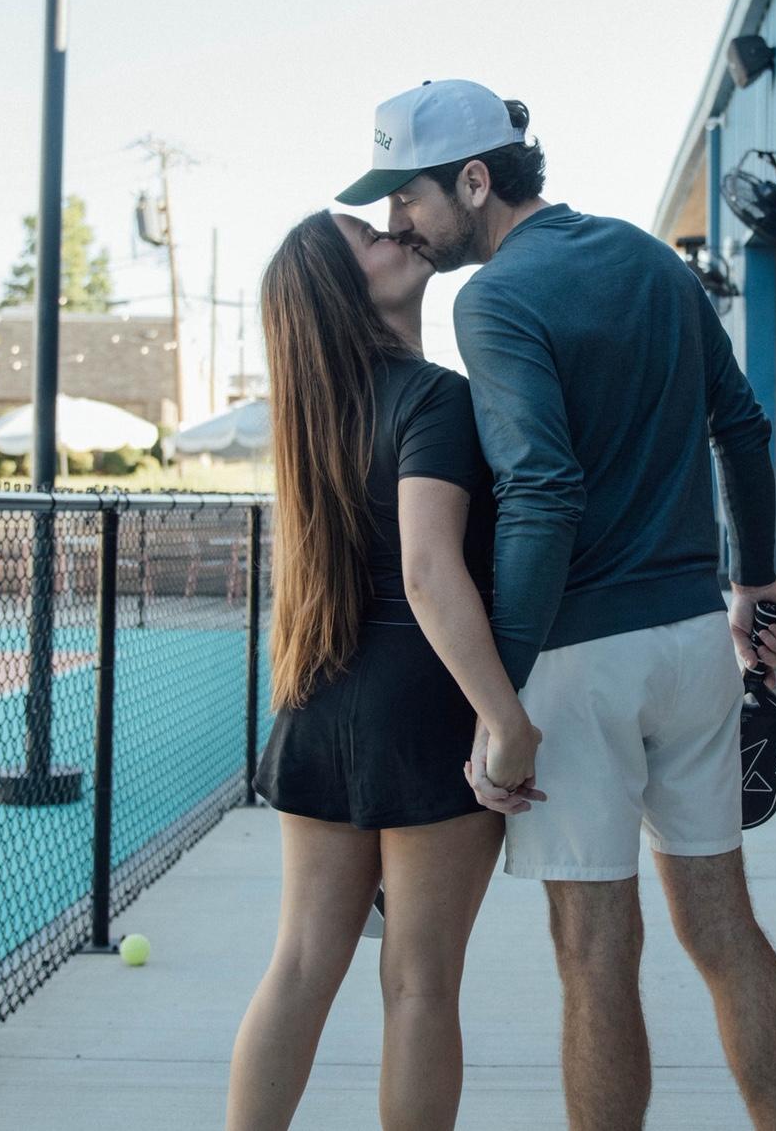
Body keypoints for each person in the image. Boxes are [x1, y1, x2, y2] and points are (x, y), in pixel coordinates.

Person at [335, 78, 776, 1131]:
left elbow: (542, 490)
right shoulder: (651, 259)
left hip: (578, 661)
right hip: (693, 643)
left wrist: (500, 701)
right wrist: (756, 581)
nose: (398, 220)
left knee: (594, 953)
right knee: (724, 930)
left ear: (474, 180)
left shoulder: (493, 299)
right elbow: (741, 424)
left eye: (409, 195)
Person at [224, 206, 544, 1131]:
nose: (395, 234)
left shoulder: (315, 418)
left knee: (299, 966)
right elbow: (429, 571)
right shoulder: (434, 397)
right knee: (419, 984)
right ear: (343, 289)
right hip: (424, 711)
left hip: (320, 700)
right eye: (369, 238)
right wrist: (506, 720)